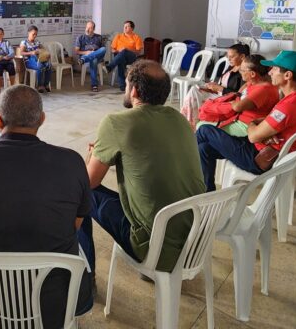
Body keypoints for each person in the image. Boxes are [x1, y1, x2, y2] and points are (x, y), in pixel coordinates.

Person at [0, 85, 93, 328]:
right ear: (42, 119)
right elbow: (75, 225)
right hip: (58, 300)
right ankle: (88, 292)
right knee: (84, 216)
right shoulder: (71, 161)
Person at [78, 60, 205, 274]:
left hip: (155, 248)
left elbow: (89, 180)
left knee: (79, 192)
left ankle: (86, 276)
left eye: (127, 85)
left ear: (134, 90)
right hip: (193, 242)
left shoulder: (115, 123)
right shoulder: (179, 119)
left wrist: (92, 154)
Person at [196, 50, 296, 191]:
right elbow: (280, 121)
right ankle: (206, 191)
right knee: (204, 148)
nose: (270, 72)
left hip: (260, 158)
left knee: (204, 130)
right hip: (270, 150)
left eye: (275, 69)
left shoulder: (288, 105)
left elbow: (253, 136)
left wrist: (253, 123)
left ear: (288, 75)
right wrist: (264, 125)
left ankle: (183, 166)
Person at [180, 43, 250, 128]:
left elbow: (239, 95)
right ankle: (189, 120)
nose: (229, 59)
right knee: (194, 89)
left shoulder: (243, 73)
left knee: (195, 94)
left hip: (226, 99)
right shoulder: (232, 67)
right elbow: (223, 84)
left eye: (232, 57)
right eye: (228, 56)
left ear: (242, 57)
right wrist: (213, 87)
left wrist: (220, 89)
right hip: (219, 94)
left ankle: (190, 123)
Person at [106, 20, 143, 91]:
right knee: (121, 60)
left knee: (124, 51)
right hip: (119, 56)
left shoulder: (136, 37)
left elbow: (138, 52)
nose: (125, 27)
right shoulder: (118, 36)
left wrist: (127, 50)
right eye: (124, 26)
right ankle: (122, 86)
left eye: (127, 26)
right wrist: (119, 51)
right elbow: (112, 50)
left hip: (131, 57)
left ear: (132, 28)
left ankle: (109, 67)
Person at [74, 21, 106, 92]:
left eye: (90, 28)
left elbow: (103, 51)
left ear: (93, 29)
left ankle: (84, 59)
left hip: (97, 56)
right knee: (93, 60)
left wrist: (93, 53)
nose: (88, 29)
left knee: (103, 49)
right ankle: (94, 85)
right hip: (86, 55)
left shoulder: (99, 37)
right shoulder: (80, 37)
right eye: (87, 27)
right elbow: (76, 51)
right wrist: (86, 52)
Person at [20, 25, 52, 93]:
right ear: (29, 33)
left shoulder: (37, 42)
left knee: (49, 65)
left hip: (39, 59)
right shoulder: (24, 42)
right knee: (40, 66)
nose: (35, 36)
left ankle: (46, 85)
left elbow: (44, 50)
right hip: (29, 61)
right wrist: (31, 52)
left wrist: (46, 53)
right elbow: (21, 53)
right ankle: (40, 86)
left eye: (36, 34)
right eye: (33, 34)